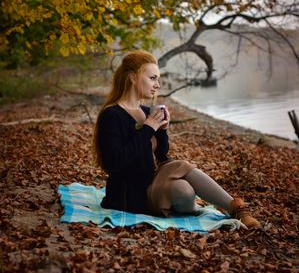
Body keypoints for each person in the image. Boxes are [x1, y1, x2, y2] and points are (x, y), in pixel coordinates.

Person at [94, 49, 260, 228]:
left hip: (152, 180)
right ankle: (205, 205)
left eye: (158, 79)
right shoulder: (111, 115)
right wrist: (149, 128)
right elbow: (114, 163)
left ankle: (237, 210)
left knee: (184, 181)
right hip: (129, 193)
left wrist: (162, 130)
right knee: (184, 190)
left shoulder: (145, 112)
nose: (158, 84)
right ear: (133, 78)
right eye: (152, 78)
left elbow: (162, 156)